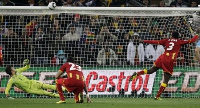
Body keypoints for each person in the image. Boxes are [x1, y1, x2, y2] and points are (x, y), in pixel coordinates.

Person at [129, 31, 199, 100]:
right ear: (178, 37)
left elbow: (155, 42)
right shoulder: (179, 41)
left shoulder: (167, 40)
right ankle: (157, 96)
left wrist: (144, 41)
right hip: (169, 60)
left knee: (150, 70)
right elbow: (192, 41)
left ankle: (137, 74)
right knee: (166, 79)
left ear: (171, 36)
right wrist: (197, 35)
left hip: (162, 57)